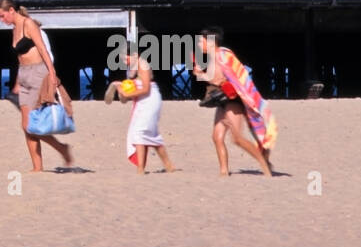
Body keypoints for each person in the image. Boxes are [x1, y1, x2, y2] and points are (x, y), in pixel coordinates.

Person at [0, 0, 73, 173]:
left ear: (11, 11)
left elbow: (43, 49)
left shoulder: (29, 24)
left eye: (2, 16)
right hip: (24, 75)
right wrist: (17, 82)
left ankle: (61, 149)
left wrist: (52, 74)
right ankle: (38, 166)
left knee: (29, 124)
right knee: (26, 125)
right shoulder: (14, 29)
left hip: (38, 73)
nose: (2, 20)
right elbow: (19, 59)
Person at [192, 28, 277, 177]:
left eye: (201, 41)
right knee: (217, 137)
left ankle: (264, 164)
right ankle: (224, 172)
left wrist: (200, 75)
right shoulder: (215, 57)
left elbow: (219, 80)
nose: (198, 44)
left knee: (237, 138)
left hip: (233, 100)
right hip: (223, 100)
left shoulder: (221, 56)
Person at [105, 51, 176, 173]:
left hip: (150, 100)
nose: (124, 61)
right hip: (143, 101)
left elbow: (146, 89)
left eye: (126, 58)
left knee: (139, 132)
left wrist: (126, 94)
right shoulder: (133, 68)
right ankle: (168, 165)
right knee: (151, 134)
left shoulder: (143, 65)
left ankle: (140, 169)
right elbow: (136, 85)